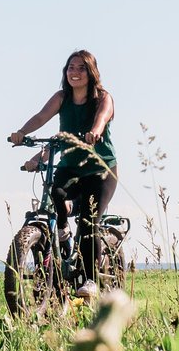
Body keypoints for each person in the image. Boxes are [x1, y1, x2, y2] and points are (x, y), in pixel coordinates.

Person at [9, 50, 117, 300]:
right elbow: (41, 117)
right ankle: (62, 231)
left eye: (80, 68)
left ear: (91, 72)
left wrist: (95, 132)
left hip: (100, 169)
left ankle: (90, 279)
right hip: (70, 168)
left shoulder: (103, 98)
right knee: (55, 193)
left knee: (90, 220)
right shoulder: (61, 98)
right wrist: (22, 133)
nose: (74, 72)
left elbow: (101, 118)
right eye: (70, 67)